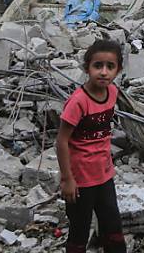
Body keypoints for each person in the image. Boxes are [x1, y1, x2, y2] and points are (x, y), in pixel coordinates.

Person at [56, 40, 126, 253]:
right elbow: (61, 141)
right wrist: (67, 179)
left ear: (118, 70)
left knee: (112, 224)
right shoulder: (78, 102)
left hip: (104, 174)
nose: (104, 72)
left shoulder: (112, 92)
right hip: (81, 179)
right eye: (98, 66)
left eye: (110, 67)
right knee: (79, 229)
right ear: (87, 68)